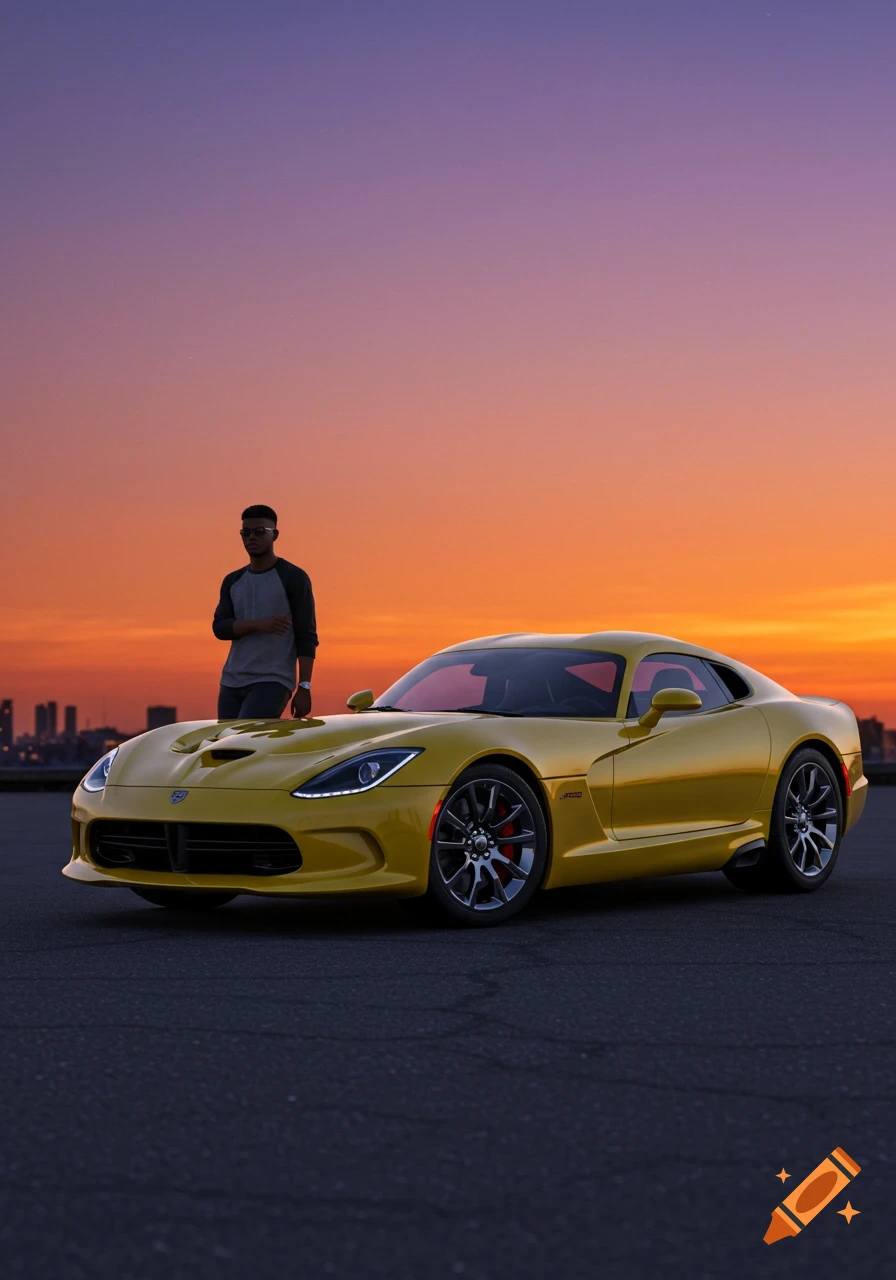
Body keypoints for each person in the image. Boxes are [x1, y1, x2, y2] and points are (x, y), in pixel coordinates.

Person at [213, 505, 318, 720]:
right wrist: (258, 624)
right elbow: (220, 627)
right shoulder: (233, 581)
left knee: (244, 743)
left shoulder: (293, 577)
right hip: (231, 682)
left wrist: (304, 687)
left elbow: (306, 635)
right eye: (246, 532)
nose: (252, 537)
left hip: (272, 681)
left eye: (260, 531)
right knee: (224, 748)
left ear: (275, 535)